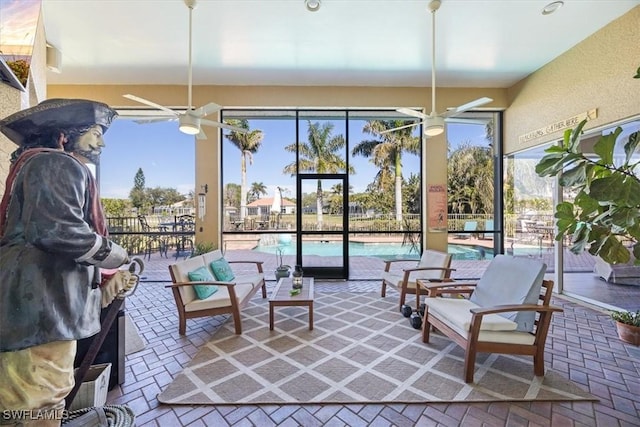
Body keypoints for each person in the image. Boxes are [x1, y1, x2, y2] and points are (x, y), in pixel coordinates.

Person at [0, 99, 130, 426]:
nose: (101, 142)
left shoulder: (31, 165)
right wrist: (116, 254)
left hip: (35, 302)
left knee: (37, 395)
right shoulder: (57, 164)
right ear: (64, 135)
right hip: (42, 305)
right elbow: (59, 231)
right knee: (39, 397)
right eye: (94, 133)